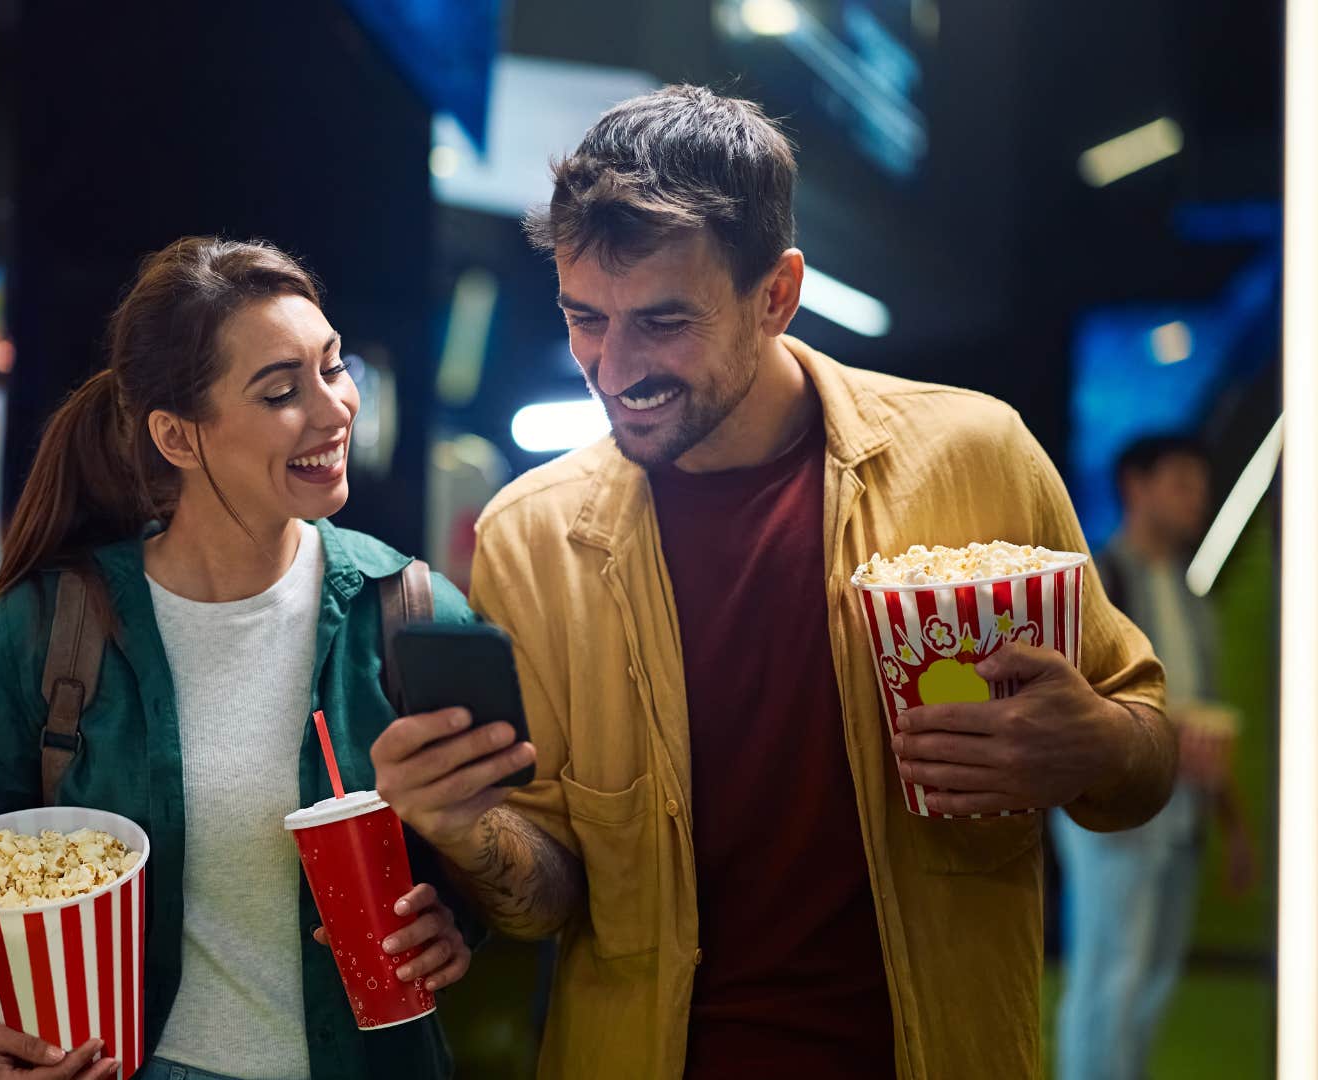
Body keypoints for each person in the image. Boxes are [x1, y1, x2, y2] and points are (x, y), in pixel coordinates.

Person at [368, 85, 1176, 1078]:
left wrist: (1094, 742)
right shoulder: (533, 538)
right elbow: (547, 896)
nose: (614, 368)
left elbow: (1145, 752)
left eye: (662, 323)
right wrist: (461, 828)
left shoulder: (976, 457)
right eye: (586, 318)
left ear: (777, 295)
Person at [0, 238, 494, 1080]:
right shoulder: (49, 629)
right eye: (283, 391)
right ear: (178, 437)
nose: (334, 411)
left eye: (334, 367)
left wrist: (450, 918)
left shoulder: (407, 612)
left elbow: (501, 843)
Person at [1051, 434, 1258, 1080]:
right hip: (1111, 808)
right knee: (1108, 980)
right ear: (1135, 487)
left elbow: (1206, 714)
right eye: (1180, 481)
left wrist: (1233, 820)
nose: (1197, 497)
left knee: (1153, 984)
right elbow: (1070, 701)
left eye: (1200, 484)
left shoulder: (1193, 595)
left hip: (1184, 810)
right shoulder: (1095, 581)